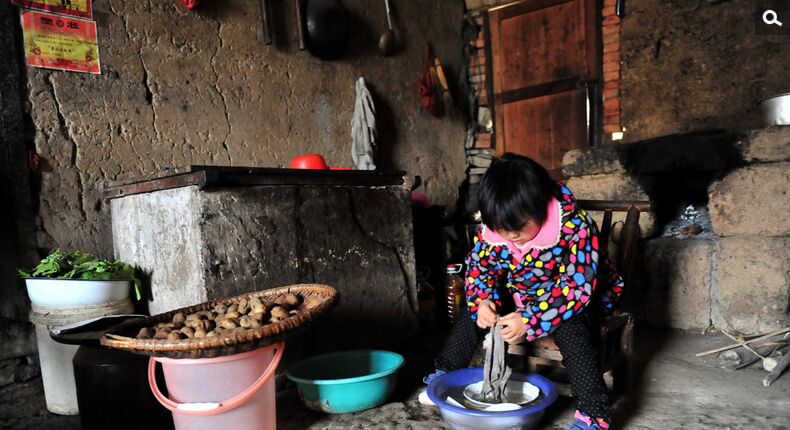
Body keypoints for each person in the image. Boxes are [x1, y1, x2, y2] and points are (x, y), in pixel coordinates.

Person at [424, 153, 623, 430]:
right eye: (500, 229)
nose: (509, 236)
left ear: (541, 206)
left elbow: (576, 288)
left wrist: (529, 319)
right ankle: (444, 372)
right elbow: (481, 269)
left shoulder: (574, 227)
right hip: (521, 293)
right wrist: (483, 301)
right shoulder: (493, 230)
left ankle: (594, 413)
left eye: (516, 228)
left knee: (572, 329)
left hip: (571, 298)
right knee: (475, 313)